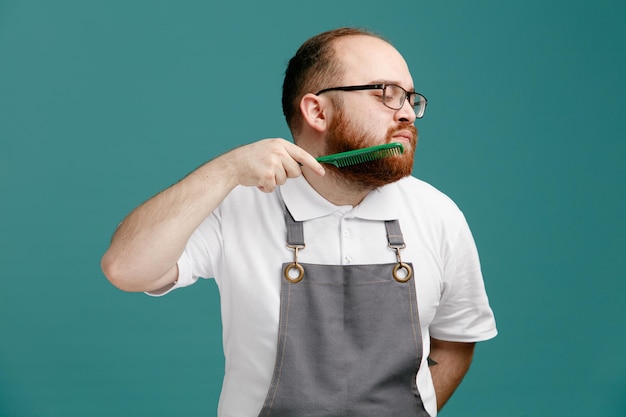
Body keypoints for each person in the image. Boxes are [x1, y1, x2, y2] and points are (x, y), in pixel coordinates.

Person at [101, 27, 497, 417]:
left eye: (410, 98)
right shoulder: (238, 205)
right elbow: (125, 269)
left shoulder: (438, 214)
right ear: (317, 111)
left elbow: (456, 342)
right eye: (386, 94)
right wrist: (226, 170)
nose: (408, 113)